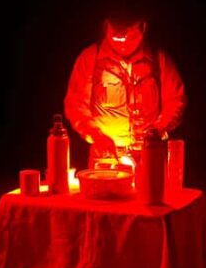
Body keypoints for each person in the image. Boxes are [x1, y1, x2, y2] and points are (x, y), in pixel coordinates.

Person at [64, 10, 186, 167]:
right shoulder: (90, 58)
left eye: (130, 36)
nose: (123, 43)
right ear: (106, 27)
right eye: (116, 37)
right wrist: (96, 135)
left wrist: (158, 130)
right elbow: (75, 104)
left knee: (151, 191)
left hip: (149, 155)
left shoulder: (159, 59)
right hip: (105, 160)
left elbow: (176, 100)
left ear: (143, 28)